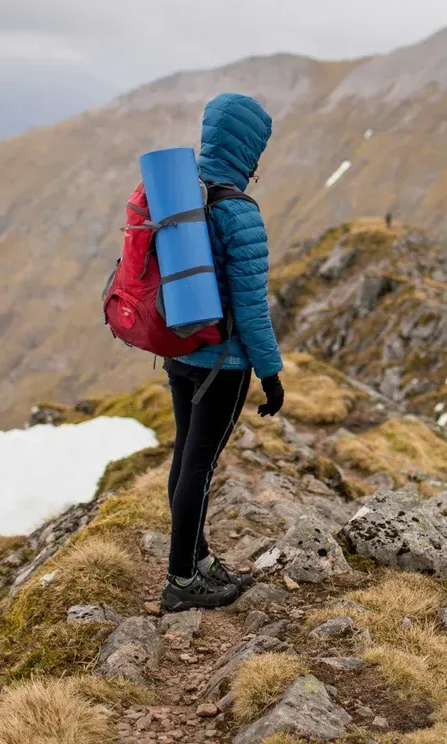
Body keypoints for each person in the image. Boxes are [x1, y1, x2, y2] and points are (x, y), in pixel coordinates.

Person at [159, 92, 284, 613]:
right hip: (223, 364)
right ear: (248, 149)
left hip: (180, 352)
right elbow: (252, 308)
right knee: (200, 468)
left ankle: (198, 559)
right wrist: (271, 374)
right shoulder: (239, 212)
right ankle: (183, 581)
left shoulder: (179, 196)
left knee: (185, 458)